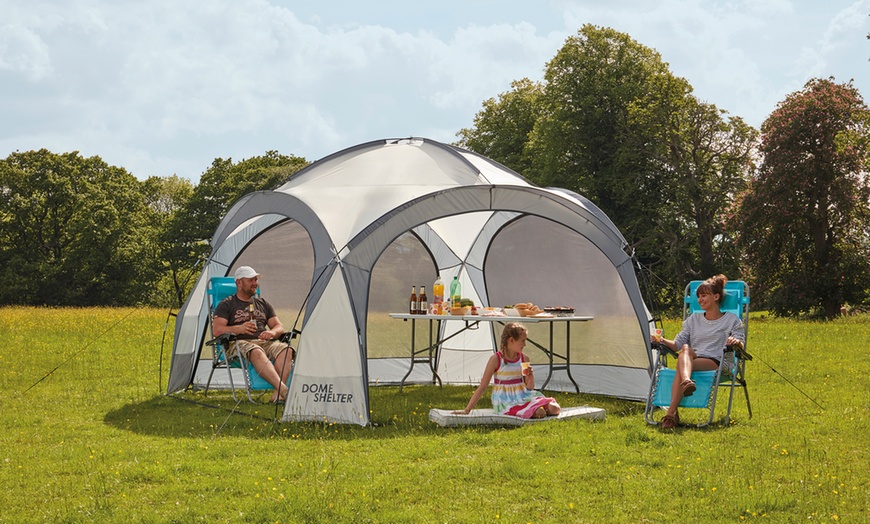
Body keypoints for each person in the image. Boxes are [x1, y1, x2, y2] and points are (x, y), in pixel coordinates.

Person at [653, 274, 745, 429]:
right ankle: (686, 382)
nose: (700, 300)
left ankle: (671, 414)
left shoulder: (731, 320)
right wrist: (660, 340)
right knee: (685, 349)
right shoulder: (693, 320)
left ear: (716, 296)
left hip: (717, 361)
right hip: (692, 360)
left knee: (680, 367)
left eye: (704, 296)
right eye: (699, 296)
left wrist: (736, 342)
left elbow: (740, 342)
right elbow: (676, 345)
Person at [213, 266, 294, 403]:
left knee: (286, 350)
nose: (255, 283)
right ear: (239, 282)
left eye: (256, 279)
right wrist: (239, 329)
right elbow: (217, 330)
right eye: (251, 280)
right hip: (238, 344)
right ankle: (285, 391)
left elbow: (279, 326)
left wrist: (272, 332)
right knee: (256, 350)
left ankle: (278, 394)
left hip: (264, 342)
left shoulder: (263, 304)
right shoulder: (226, 304)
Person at [454, 322, 561, 419]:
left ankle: (535, 409)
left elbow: (529, 388)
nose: (525, 344)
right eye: (522, 341)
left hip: (523, 395)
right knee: (539, 413)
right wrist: (467, 409)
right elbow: (483, 386)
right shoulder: (496, 359)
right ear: (511, 340)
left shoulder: (524, 358)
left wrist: (530, 376)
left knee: (555, 408)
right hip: (505, 400)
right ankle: (533, 410)